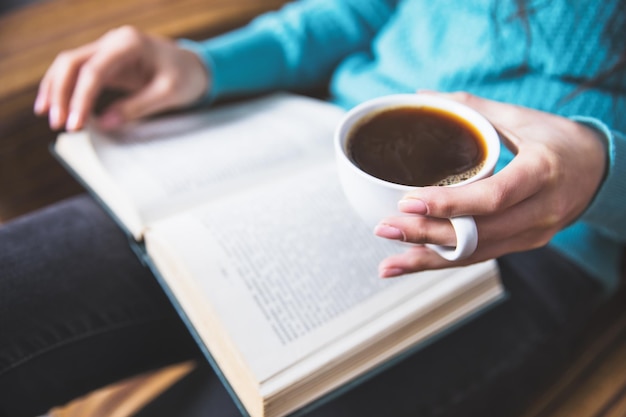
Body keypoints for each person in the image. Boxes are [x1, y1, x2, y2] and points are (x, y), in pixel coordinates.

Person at [1, 0, 625, 416]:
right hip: (313, 149)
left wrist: (600, 167)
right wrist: (204, 63)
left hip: (533, 249)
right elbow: (362, 10)